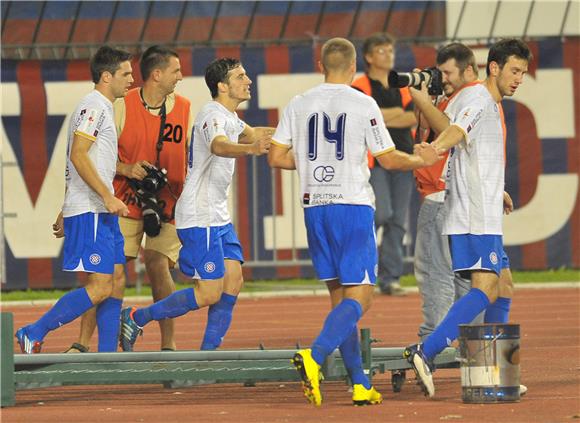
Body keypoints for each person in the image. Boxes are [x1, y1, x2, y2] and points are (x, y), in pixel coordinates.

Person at [268, 37, 438, 407]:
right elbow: (389, 159)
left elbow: (276, 157)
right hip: (352, 206)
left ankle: (359, 383)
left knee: (340, 299)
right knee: (362, 296)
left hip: (315, 207)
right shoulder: (363, 102)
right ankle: (313, 358)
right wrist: (422, 161)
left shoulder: (299, 103)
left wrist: (316, 164)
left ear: (320, 64)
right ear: (353, 66)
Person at [406, 39, 532, 398]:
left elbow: (473, 147)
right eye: (514, 70)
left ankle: (492, 371)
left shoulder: (481, 99)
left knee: (502, 285)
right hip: (475, 214)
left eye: (522, 72)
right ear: (494, 68)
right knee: (486, 289)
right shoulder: (478, 98)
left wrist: (499, 190)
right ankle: (426, 353)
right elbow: (457, 131)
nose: (519, 78)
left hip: (485, 206)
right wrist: (436, 148)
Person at [118, 57, 272, 352]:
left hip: (218, 217)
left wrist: (297, 133)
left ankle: (208, 356)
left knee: (233, 281)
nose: (248, 81)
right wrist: (251, 149)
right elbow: (218, 145)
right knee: (209, 293)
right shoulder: (211, 114)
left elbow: (257, 133)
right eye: (241, 76)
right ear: (222, 86)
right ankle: (138, 316)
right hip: (199, 217)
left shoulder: (230, 117)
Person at [54, 45, 193, 353]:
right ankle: (83, 342)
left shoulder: (184, 107)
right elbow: (91, 156)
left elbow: (190, 153)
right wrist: (127, 169)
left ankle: (168, 346)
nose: (181, 77)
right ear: (157, 74)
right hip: (124, 197)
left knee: (159, 265)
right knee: (110, 272)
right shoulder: (115, 104)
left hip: (168, 200)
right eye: (176, 71)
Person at [16, 46, 133, 353]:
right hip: (93, 210)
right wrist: (106, 196)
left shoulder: (102, 107)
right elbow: (78, 154)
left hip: (95, 209)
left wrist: (64, 207)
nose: (132, 79)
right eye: (126, 73)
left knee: (117, 279)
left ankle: (108, 359)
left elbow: (83, 160)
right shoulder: (94, 106)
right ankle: (33, 331)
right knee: (100, 287)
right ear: (106, 76)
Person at [352, 33, 417, 296]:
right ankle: (361, 266)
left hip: (403, 157)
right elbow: (364, 117)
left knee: (398, 221)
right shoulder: (360, 84)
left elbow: (411, 116)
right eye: (381, 50)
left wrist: (379, 115)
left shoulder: (401, 83)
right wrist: (391, 115)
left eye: (390, 50)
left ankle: (390, 278)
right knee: (381, 214)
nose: (388, 54)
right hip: (374, 160)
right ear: (368, 56)